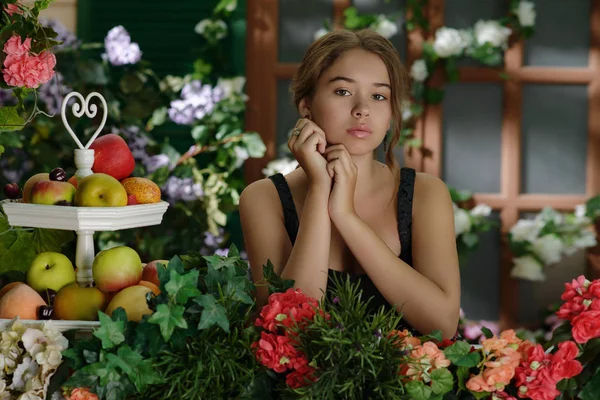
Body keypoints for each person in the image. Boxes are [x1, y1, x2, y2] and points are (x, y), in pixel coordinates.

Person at [240, 29, 460, 339]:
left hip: (411, 384)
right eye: (343, 91)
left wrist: (345, 216)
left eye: (379, 95)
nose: (362, 109)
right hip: (303, 387)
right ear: (306, 106)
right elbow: (285, 329)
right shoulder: (264, 198)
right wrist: (320, 189)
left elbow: (443, 324)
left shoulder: (426, 193)